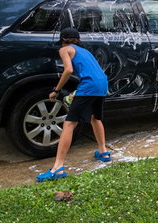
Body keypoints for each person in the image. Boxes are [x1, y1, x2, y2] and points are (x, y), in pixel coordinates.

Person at [37, 27, 111, 182]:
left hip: (89, 85)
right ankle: (103, 152)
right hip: (102, 84)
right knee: (95, 118)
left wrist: (56, 90)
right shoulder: (85, 51)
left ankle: (57, 168)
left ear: (64, 40)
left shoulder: (65, 50)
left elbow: (68, 70)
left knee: (69, 124)